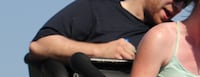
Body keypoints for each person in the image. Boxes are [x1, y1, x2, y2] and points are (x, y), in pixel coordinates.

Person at [29, 0, 189, 62]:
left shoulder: (170, 33)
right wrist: (101, 50)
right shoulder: (97, 7)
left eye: (185, 3)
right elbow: (40, 45)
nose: (178, 7)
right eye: (176, 0)